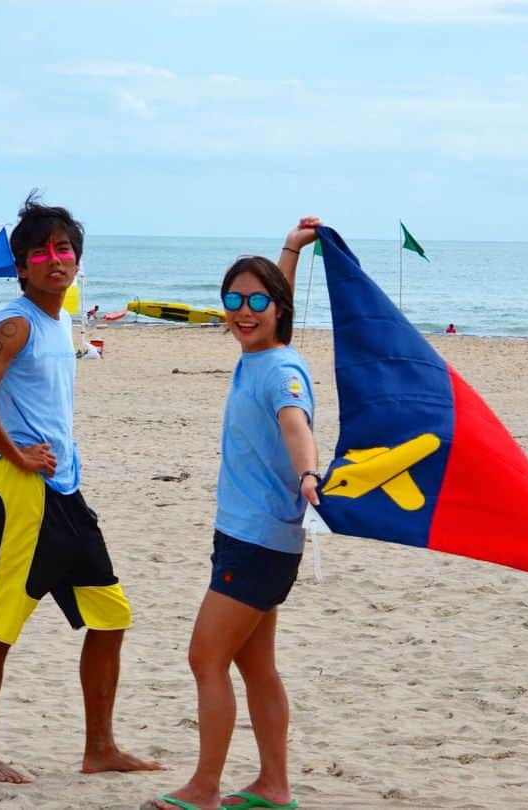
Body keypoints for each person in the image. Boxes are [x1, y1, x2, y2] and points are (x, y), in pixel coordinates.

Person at [0, 193, 163, 785]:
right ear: (21, 266)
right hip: (24, 493)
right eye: (41, 252)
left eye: (64, 249)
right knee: (0, 625)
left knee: (110, 616)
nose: (55, 259)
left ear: (76, 260)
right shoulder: (16, 322)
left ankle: (100, 748)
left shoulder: (62, 315)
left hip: (65, 492)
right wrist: (15, 452)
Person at [145, 217, 321, 810]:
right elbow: (275, 297)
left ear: (277, 309)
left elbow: (295, 425)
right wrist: (291, 248)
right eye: (233, 299)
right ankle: (274, 787)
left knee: (205, 658)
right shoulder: (262, 352)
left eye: (256, 301)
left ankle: (204, 788)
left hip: (259, 545)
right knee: (256, 667)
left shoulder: (282, 372)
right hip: (248, 539)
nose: (243, 310)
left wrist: (308, 472)